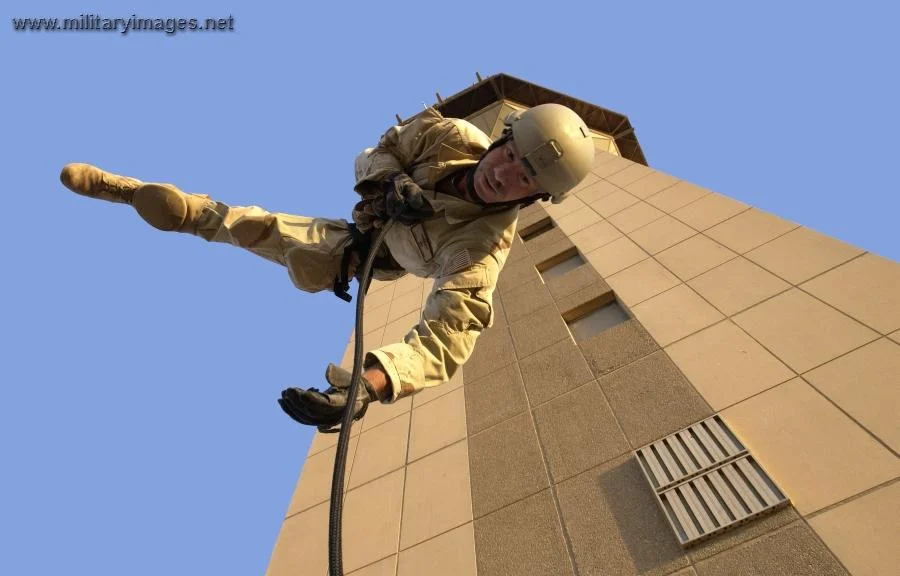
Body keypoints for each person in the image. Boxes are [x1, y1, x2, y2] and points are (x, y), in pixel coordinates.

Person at [60, 103, 595, 432]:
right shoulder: (449, 136)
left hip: (377, 258)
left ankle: (309, 261)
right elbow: (374, 151)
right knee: (261, 228)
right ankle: (156, 201)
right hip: (369, 224)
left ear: (539, 196)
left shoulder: (483, 249)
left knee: (314, 261)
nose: (506, 176)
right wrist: (389, 183)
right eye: (511, 156)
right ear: (501, 137)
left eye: (527, 178)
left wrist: (370, 384)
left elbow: (448, 335)